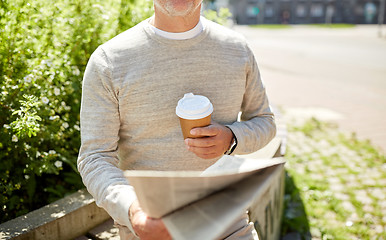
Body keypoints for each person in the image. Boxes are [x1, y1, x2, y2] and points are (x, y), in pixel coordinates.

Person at [77, 0, 276, 239]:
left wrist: (232, 138)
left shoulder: (237, 49)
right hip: (149, 228)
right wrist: (132, 209)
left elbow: (265, 121)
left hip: (229, 227)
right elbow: (94, 156)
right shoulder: (109, 60)